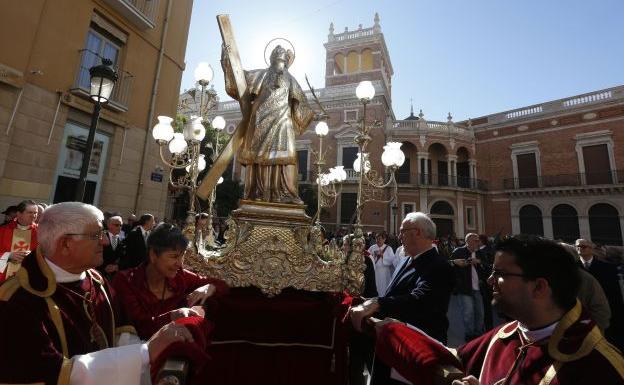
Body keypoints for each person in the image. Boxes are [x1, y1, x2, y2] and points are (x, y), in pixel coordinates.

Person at [374, 235, 624, 385]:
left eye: (500, 274)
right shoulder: (503, 335)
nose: (490, 280)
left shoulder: (600, 368)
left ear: (539, 286)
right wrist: (391, 331)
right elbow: (449, 359)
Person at [0, 202, 195, 385]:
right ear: (65, 243)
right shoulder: (18, 299)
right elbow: (51, 373)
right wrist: (144, 352)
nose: (103, 241)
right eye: (95, 235)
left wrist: (153, 342)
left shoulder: (96, 280)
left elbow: (121, 333)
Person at [350, 212, 455, 384]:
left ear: (418, 232)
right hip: (392, 346)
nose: (399, 236)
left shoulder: (439, 266)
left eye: (402, 231)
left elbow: (419, 300)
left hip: (416, 350)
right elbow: (395, 295)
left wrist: (377, 303)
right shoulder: (406, 260)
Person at [220, 44, 315, 203]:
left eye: (282, 57)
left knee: (288, 156)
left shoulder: (291, 79)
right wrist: (227, 61)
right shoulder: (261, 75)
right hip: (260, 121)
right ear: (271, 59)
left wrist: (313, 115)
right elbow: (238, 79)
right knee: (260, 157)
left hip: (283, 122)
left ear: (286, 62)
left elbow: (300, 104)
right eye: (277, 56)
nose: (280, 59)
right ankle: (259, 192)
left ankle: (285, 193)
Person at [113, 223, 229, 340]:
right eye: (174, 256)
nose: (179, 263)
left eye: (181, 256)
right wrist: (173, 316)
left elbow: (222, 285)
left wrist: (209, 287)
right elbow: (140, 325)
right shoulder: (126, 280)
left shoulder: (180, 277)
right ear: (153, 254)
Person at [576, 238, 624, 351]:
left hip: (603, 312)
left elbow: (615, 295)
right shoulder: (573, 268)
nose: (580, 249)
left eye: (583, 246)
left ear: (591, 249)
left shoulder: (607, 268)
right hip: (580, 314)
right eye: (577, 246)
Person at [449, 233, 488, 341]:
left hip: (478, 288)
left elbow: (488, 266)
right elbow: (448, 265)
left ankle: (478, 336)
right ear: (468, 241)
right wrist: (455, 263)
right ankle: (469, 336)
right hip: (465, 288)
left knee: (480, 314)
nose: (477, 242)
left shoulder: (480, 253)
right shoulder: (459, 251)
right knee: (468, 313)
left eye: (478, 240)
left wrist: (479, 262)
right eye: (475, 241)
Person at [0, 199, 38, 282]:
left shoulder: (40, 232)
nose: (33, 215)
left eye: (35, 213)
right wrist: (8, 256)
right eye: (30, 212)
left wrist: (32, 256)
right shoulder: (2, 230)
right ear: (19, 214)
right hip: (4, 277)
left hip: (29, 277)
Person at [97, 215, 125, 281]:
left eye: (121, 225)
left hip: (114, 276)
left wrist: (116, 266)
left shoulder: (121, 239)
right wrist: (104, 267)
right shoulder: (101, 237)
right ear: (109, 225)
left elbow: (123, 257)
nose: (119, 227)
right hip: (100, 273)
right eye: (117, 225)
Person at [368, 232, 396, 296]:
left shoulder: (388, 248)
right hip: (375, 271)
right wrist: (373, 256)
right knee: (375, 285)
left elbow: (392, 260)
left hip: (384, 272)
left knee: (383, 286)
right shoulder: (372, 247)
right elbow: (368, 258)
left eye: (380, 239)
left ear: (384, 239)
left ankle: (383, 298)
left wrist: (383, 256)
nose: (378, 240)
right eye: (376, 239)